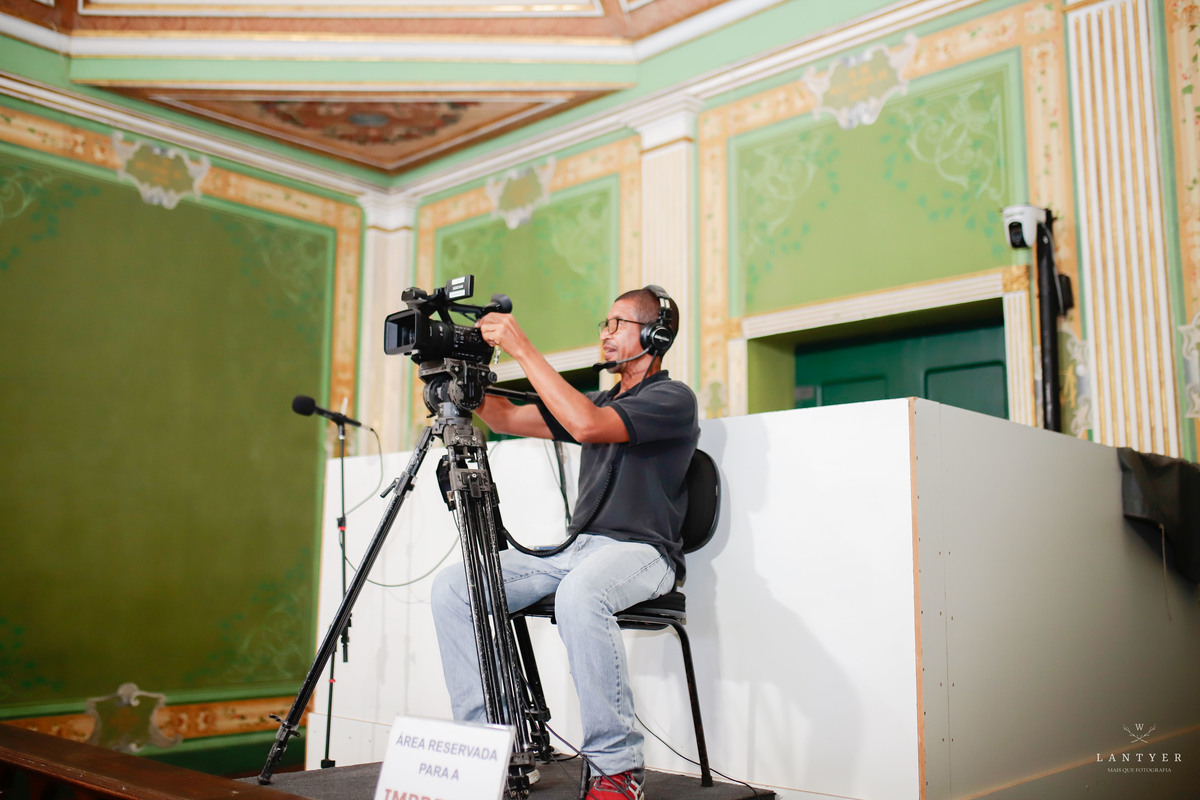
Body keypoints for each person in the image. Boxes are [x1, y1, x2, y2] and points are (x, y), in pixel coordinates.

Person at [430, 286, 699, 800]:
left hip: (644, 553)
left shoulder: (672, 399)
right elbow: (507, 417)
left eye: (618, 323)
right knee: (455, 589)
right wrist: (454, 376)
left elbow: (586, 424)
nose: (605, 332)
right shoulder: (595, 399)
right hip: (578, 551)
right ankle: (487, 752)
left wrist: (522, 348)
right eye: (605, 322)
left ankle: (617, 769)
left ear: (656, 334)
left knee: (581, 593)